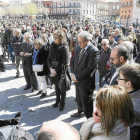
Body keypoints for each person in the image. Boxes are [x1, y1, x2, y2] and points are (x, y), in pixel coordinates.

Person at [71, 31, 100, 118]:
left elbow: (89, 69)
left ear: (87, 41)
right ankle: (80, 111)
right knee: (79, 99)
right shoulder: (79, 48)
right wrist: (72, 73)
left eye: (81, 42)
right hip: (77, 80)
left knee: (87, 103)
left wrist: (76, 76)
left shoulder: (94, 51)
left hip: (86, 82)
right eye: (78, 42)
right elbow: (73, 62)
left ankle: (89, 121)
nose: (79, 44)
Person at [47, 30, 70, 111]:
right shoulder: (52, 45)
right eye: (53, 37)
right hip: (53, 70)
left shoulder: (65, 47)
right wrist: (51, 68)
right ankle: (57, 100)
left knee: (62, 87)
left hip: (61, 71)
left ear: (61, 38)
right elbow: (48, 58)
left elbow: (65, 63)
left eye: (56, 37)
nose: (54, 39)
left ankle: (62, 102)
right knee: (56, 87)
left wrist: (56, 70)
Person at [118, 63, 140, 140]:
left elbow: (131, 135)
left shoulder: (133, 109)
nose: (117, 80)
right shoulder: (131, 94)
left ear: (128, 83)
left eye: (120, 78)